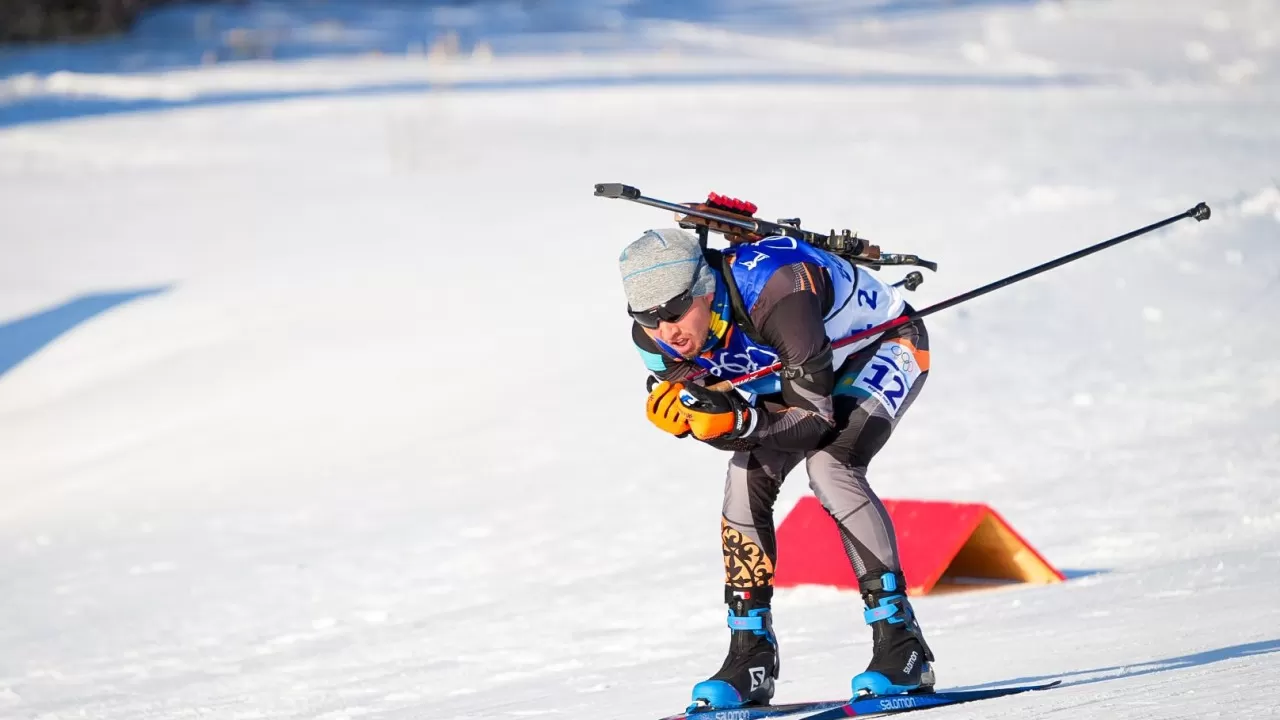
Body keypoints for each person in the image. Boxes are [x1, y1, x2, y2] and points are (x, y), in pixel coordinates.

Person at [617, 224, 936, 709]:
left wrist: (738, 420)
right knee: (745, 478)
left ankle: (902, 644)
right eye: (647, 319)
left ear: (705, 289)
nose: (666, 333)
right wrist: (697, 421)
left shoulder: (777, 289)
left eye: (675, 312)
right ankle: (751, 658)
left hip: (880, 345)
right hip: (793, 375)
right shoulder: (655, 342)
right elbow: (724, 420)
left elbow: (813, 421)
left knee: (832, 466)